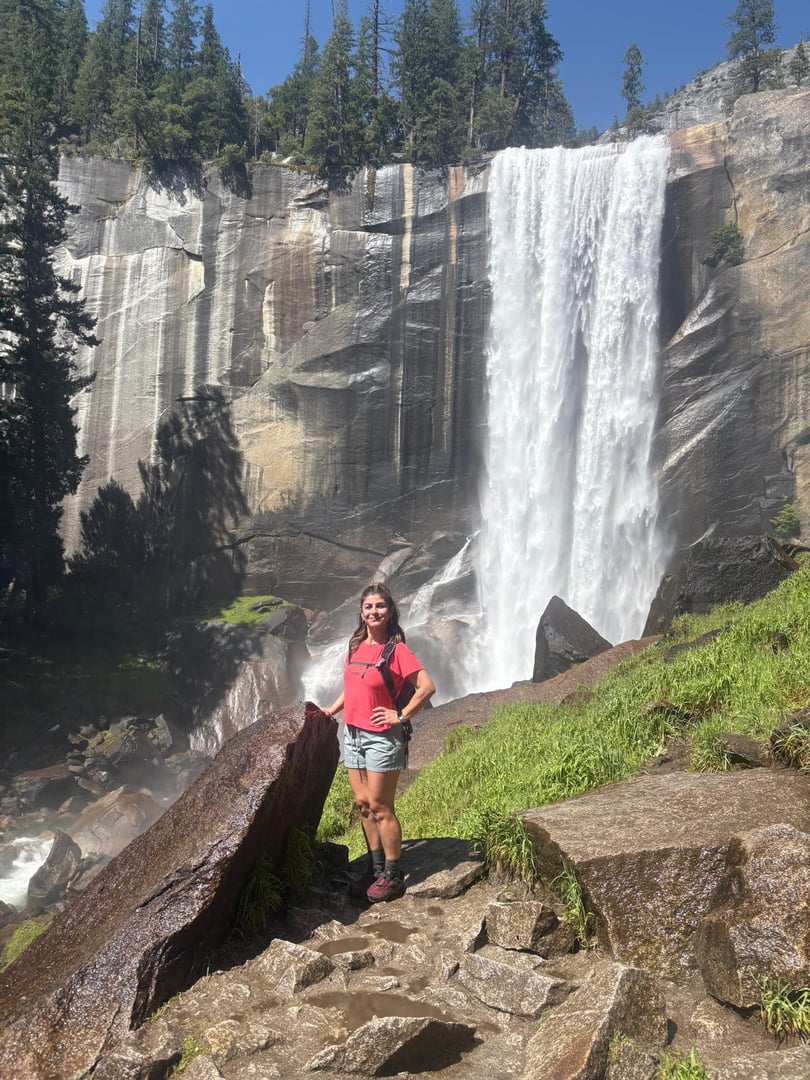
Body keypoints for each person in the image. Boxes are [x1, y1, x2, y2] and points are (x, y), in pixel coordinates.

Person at [322, 582, 435, 903]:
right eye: (369, 607)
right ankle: (374, 869)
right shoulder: (355, 645)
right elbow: (353, 686)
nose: (374, 611)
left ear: (389, 612)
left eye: (380, 607)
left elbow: (426, 687)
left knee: (381, 806)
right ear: (361, 612)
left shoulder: (396, 650)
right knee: (362, 806)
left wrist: (399, 715)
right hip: (353, 734)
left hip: (382, 738)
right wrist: (331, 710)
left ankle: (393, 874)